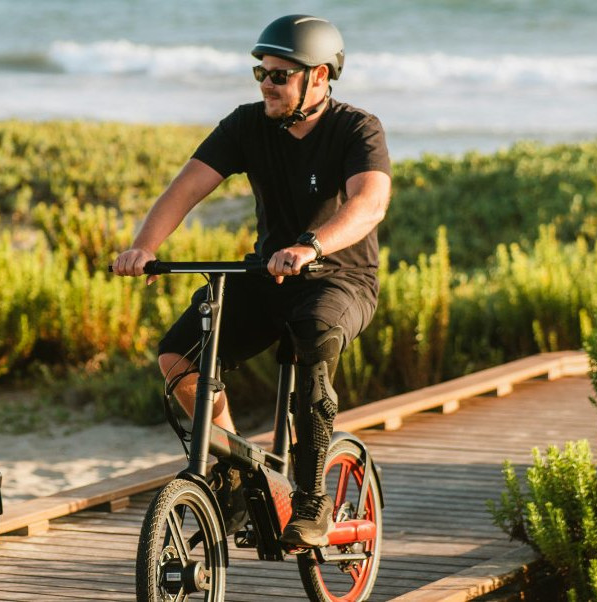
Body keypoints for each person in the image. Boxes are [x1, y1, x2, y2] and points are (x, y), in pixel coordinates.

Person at [112, 14, 391, 548]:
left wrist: (311, 246)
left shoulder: (358, 128)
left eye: (280, 75)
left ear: (320, 78)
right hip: (268, 275)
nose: (267, 82)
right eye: (261, 72)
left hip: (341, 278)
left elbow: (370, 203)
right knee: (178, 356)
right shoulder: (246, 124)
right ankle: (238, 469)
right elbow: (186, 188)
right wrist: (145, 247)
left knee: (314, 335)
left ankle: (312, 501)